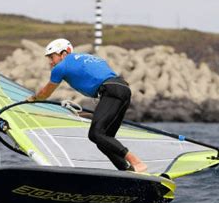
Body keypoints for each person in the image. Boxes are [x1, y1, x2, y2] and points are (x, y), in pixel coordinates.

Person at [27, 38, 147, 172]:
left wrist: (32, 99)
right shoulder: (91, 58)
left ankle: (135, 161)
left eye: (52, 57)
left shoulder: (61, 67)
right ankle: (129, 171)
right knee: (104, 140)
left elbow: (45, 93)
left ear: (64, 53)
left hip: (110, 91)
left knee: (95, 134)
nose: (51, 62)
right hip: (122, 89)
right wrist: (89, 115)